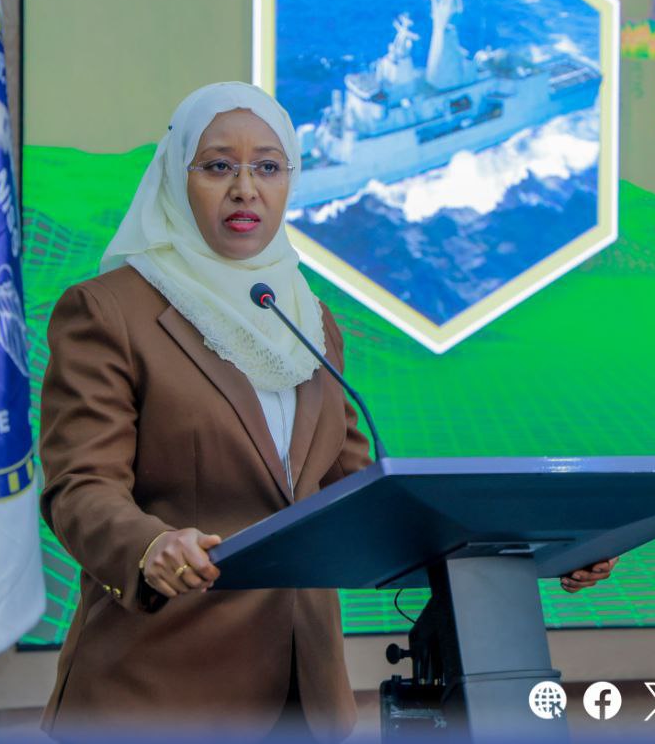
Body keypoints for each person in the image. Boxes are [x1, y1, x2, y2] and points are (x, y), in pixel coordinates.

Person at [36, 82, 618, 742]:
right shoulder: (108, 312)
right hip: (158, 690)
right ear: (176, 175)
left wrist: (543, 549)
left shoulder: (304, 317)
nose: (245, 189)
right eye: (218, 166)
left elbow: (362, 497)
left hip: (305, 699)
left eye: (268, 167)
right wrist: (148, 547)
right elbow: (80, 486)